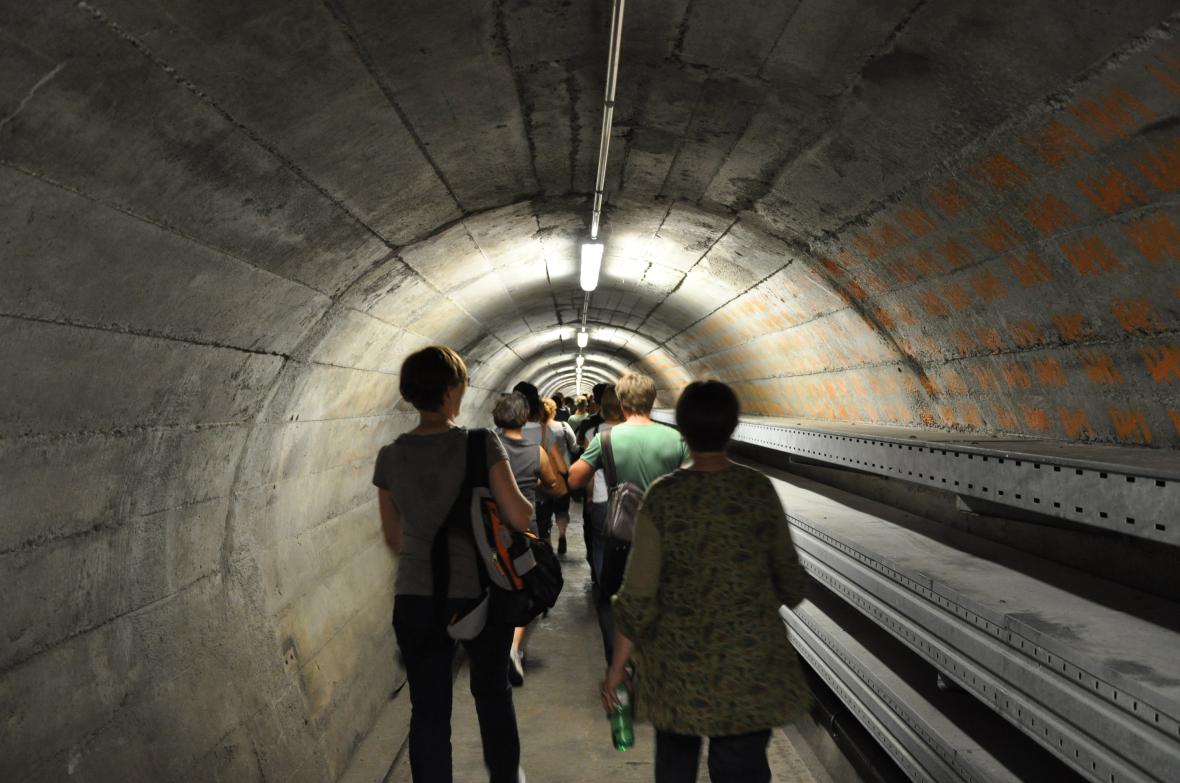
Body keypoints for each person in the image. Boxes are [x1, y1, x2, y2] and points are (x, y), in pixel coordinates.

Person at [602, 380, 811, 783]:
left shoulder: (665, 497)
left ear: (683, 429)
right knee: (741, 770)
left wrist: (616, 670)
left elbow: (639, 595)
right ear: (731, 427)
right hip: (747, 670)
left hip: (675, 668)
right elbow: (791, 581)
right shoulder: (756, 490)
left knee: (676, 767)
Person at [373, 346, 534, 783]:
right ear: (450, 391)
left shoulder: (389, 456)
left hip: (414, 598)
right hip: (477, 595)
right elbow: (521, 516)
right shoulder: (480, 443)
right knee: (491, 692)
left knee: (427, 709)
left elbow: (394, 537)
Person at [568, 373, 688, 665]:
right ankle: (653, 659)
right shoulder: (676, 438)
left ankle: (618, 664)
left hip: (622, 531)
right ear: (652, 401)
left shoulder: (607, 437)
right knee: (659, 596)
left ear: (621, 403)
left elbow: (574, 479)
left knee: (612, 598)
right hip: (663, 534)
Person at [492, 392, 566, 687]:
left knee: (497, 587)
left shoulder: (488, 450)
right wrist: (535, 484)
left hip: (493, 532)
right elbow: (556, 487)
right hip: (527, 532)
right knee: (527, 591)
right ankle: (514, 646)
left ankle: (497, 644)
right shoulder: (536, 452)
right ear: (525, 418)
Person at [578, 385, 624, 590]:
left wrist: (588, 498)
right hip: (631, 499)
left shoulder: (593, 432)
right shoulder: (635, 431)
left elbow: (588, 472)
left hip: (601, 498)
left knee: (599, 545)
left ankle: (604, 587)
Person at [536, 397, 579, 554]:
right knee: (562, 509)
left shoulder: (536, 431)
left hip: (541, 476)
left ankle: (546, 546)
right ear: (553, 411)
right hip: (561, 473)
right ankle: (562, 534)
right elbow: (574, 447)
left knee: (544, 513)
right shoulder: (563, 426)